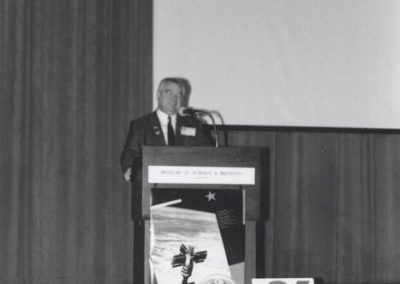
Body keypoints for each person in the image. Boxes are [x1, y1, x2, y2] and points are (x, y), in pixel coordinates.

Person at [120, 77, 214, 182]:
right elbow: (130, 152)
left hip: (187, 184)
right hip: (152, 184)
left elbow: (208, 153)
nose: (174, 99)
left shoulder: (194, 125)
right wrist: (129, 167)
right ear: (158, 95)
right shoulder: (141, 125)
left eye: (178, 95)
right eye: (169, 94)